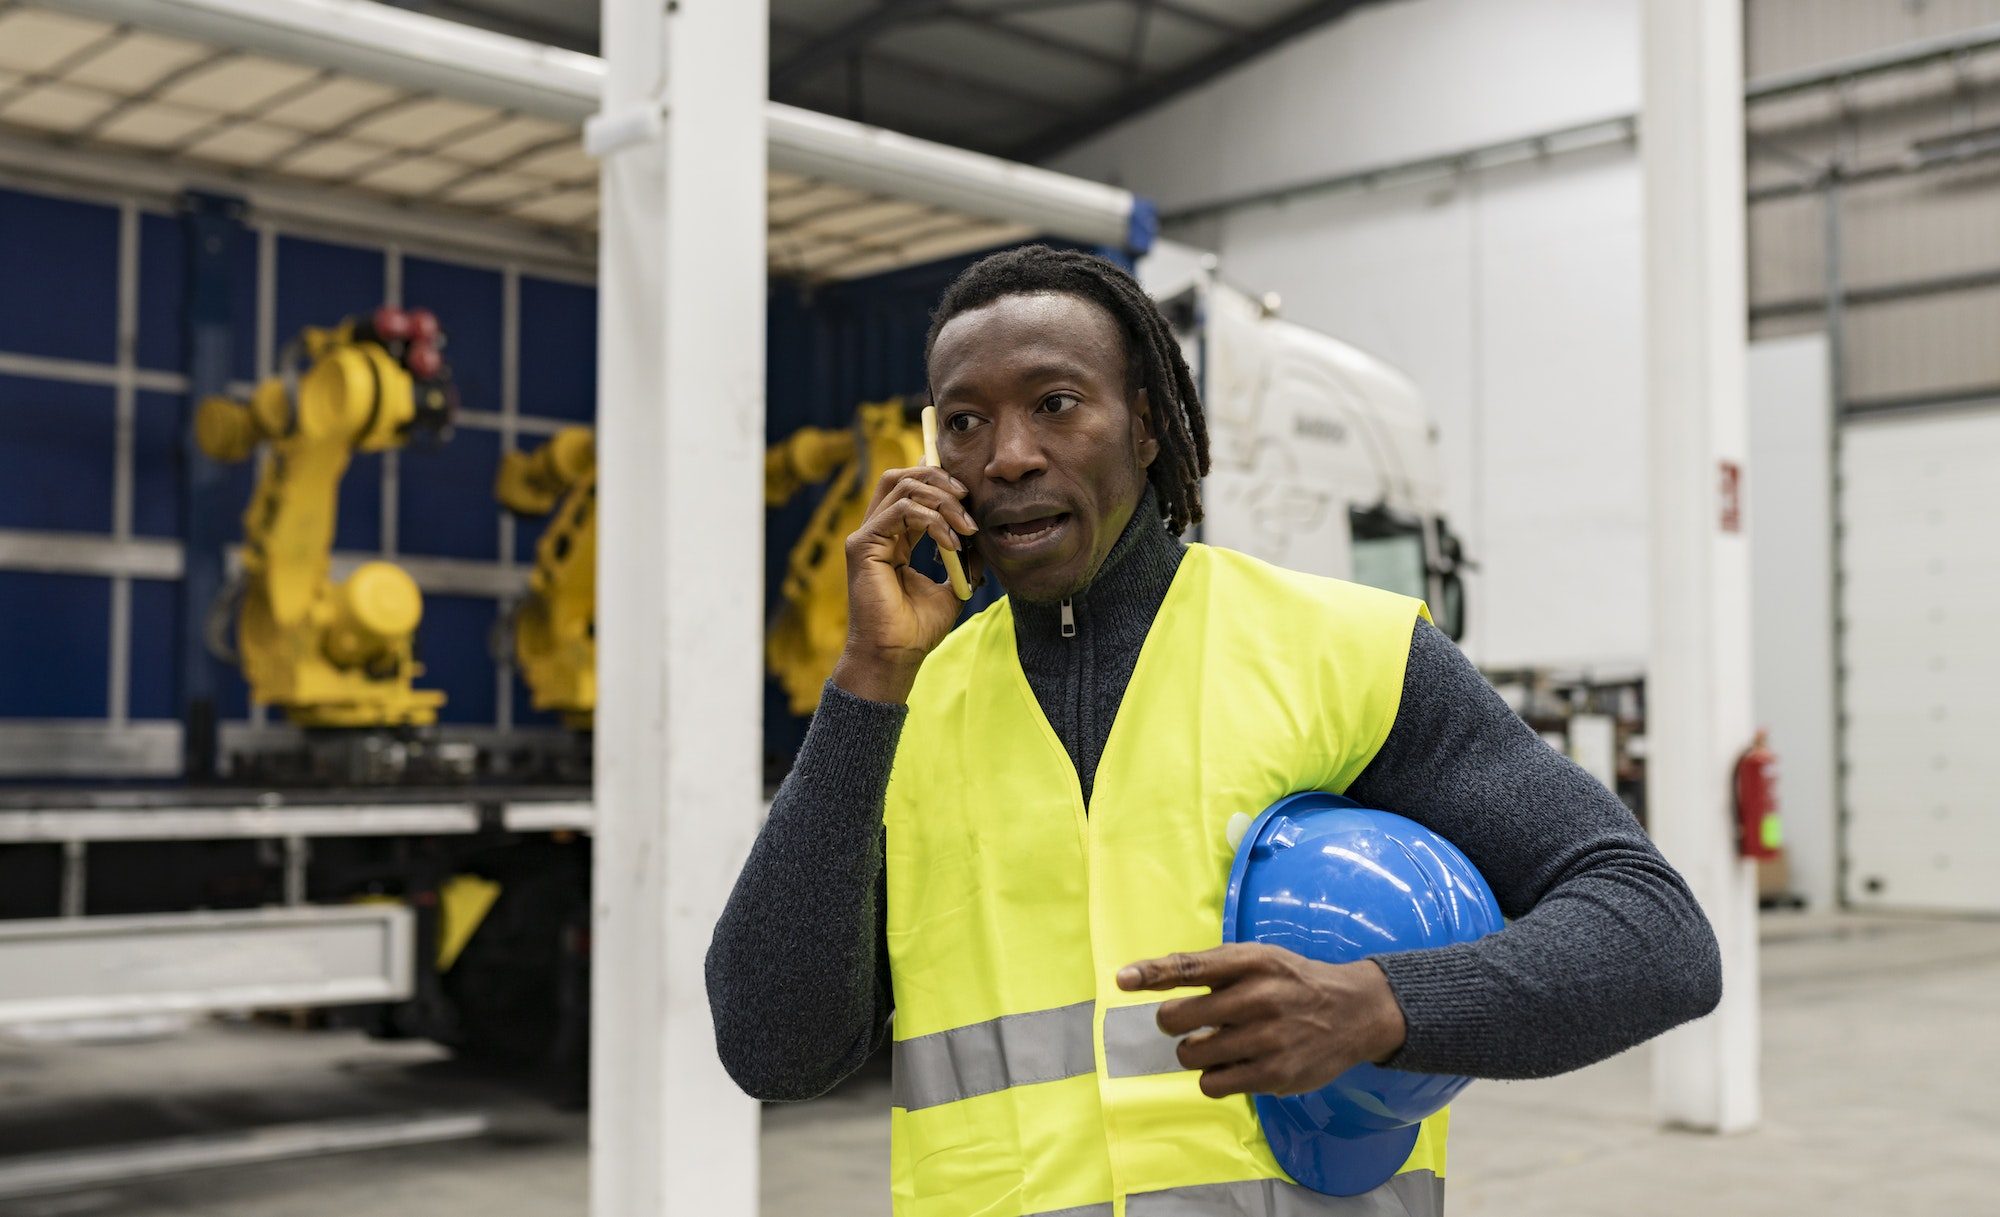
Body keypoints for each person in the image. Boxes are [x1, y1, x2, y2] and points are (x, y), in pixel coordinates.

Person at [708, 245, 1721, 1216]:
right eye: (965, 421)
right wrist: (867, 680)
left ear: (1145, 425)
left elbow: (1652, 930)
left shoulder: (1342, 651)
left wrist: (1383, 1003)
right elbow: (772, 1046)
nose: (1007, 455)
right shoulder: (904, 709)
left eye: (1054, 404)